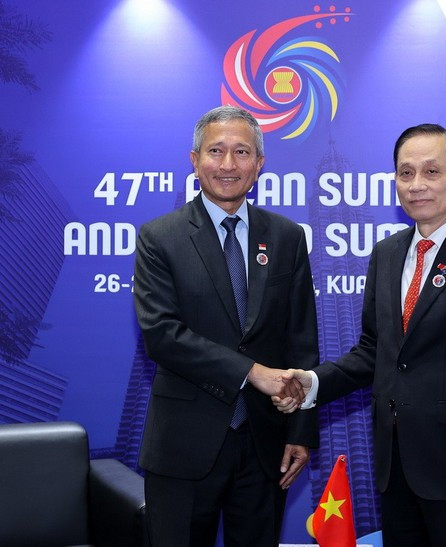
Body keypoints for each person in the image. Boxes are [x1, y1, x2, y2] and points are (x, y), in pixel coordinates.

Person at [275, 124, 446, 546]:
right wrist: (313, 382)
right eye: (405, 173)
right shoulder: (386, 254)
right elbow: (374, 351)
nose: (416, 185)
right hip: (394, 467)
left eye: (431, 172)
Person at [133, 105, 316, 546]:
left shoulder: (288, 237)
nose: (229, 165)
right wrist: (252, 373)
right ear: (194, 161)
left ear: (260, 165)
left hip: (264, 444)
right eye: (216, 151)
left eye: (242, 152)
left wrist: (300, 431)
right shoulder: (160, 237)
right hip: (183, 444)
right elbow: (162, 336)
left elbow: (301, 341)